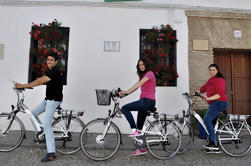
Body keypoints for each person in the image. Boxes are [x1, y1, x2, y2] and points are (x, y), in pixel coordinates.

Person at [15, 52, 63, 162]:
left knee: (47, 124)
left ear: (56, 62)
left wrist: (22, 85)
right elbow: (40, 80)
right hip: (48, 99)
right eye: (48, 60)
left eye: (51, 60)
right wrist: (26, 86)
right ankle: (42, 134)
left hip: (54, 101)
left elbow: (40, 81)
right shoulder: (50, 71)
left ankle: (51, 153)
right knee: (33, 114)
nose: (49, 61)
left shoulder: (55, 72)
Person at [119, 58, 156, 156]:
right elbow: (137, 87)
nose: (141, 66)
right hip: (143, 101)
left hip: (148, 101)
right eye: (139, 65)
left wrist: (126, 92)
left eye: (143, 64)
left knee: (125, 108)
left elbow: (138, 84)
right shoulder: (142, 76)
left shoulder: (150, 73)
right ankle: (142, 149)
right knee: (140, 127)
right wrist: (125, 93)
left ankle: (133, 130)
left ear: (146, 65)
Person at [197, 64, 228, 153]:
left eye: (213, 70)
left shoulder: (220, 80)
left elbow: (220, 94)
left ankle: (214, 144)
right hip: (214, 104)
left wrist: (209, 98)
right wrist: (196, 92)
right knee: (210, 122)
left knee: (206, 120)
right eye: (210, 70)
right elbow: (204, 87)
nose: (211, 72)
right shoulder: (211, 80)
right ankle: (211, 145)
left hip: (220, 103)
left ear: (217, 71)